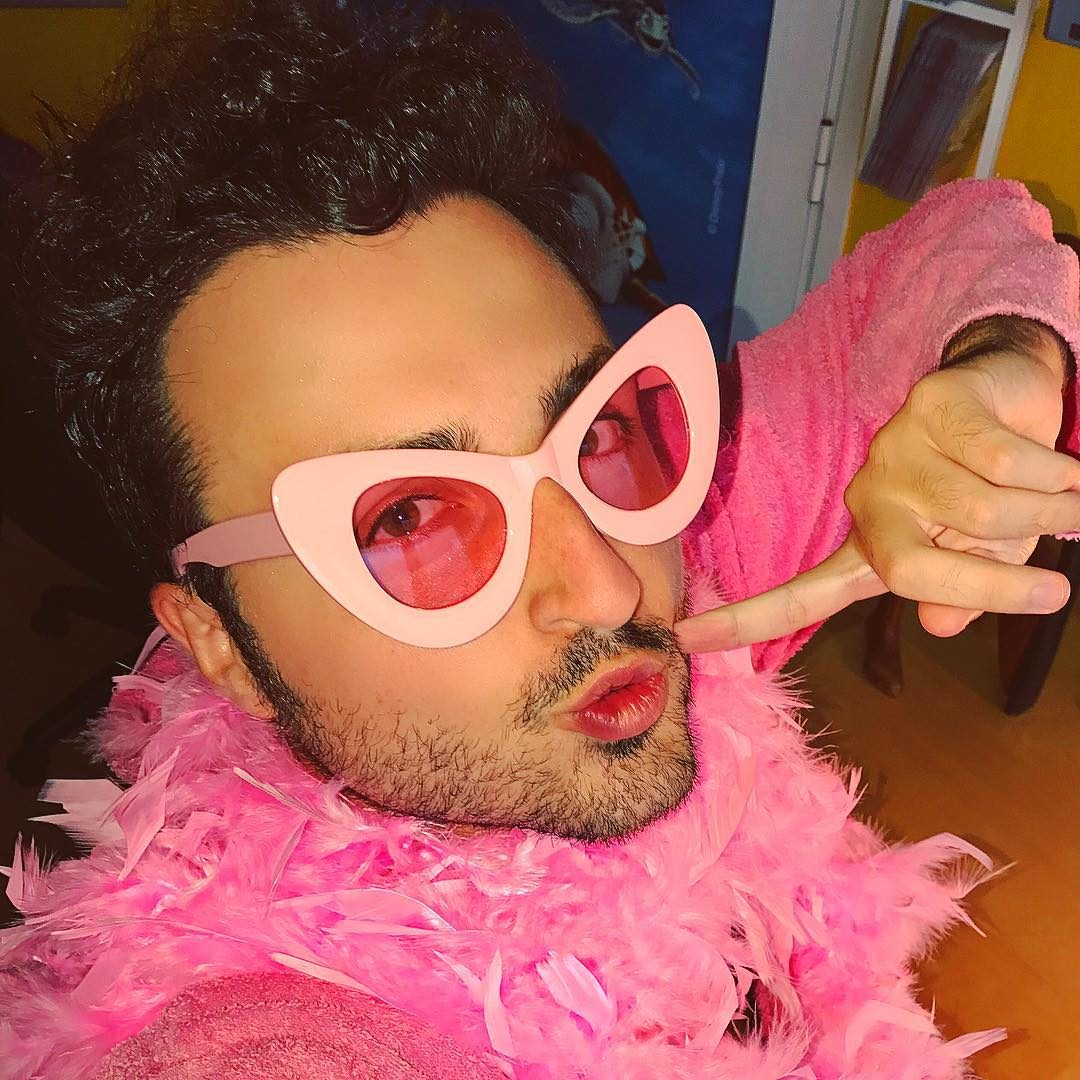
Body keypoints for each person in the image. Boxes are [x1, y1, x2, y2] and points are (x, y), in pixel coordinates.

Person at [2, 3, 1078, 1077]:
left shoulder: (701, 555)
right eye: (408, 517)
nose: (610, 588)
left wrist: (1002, 357)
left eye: (594, 426)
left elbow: (969, 238)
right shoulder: (252, 1040)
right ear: (220, 643)